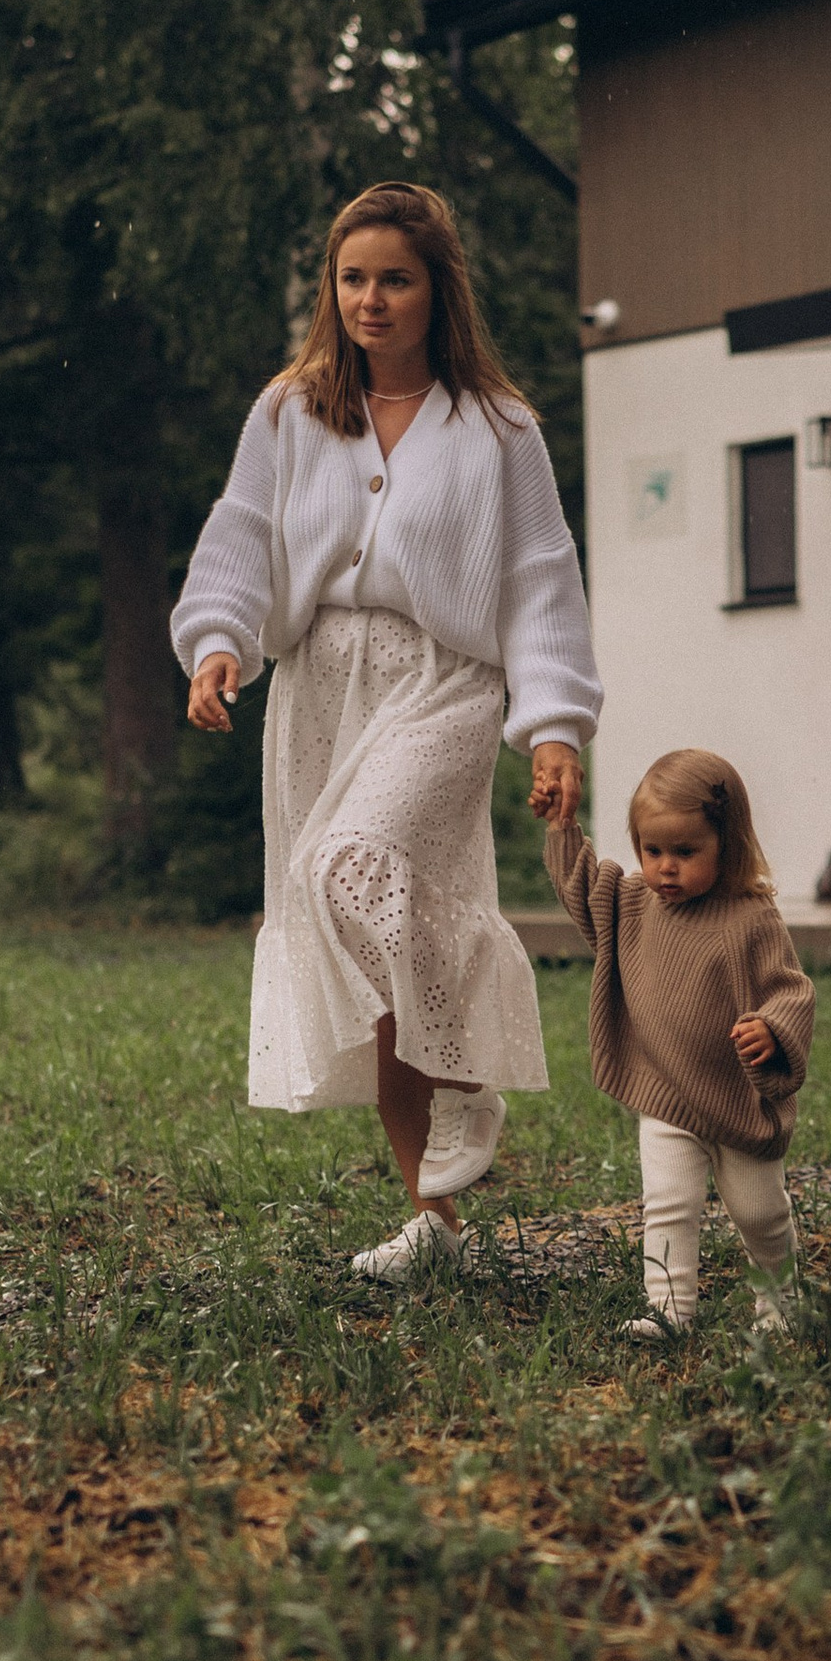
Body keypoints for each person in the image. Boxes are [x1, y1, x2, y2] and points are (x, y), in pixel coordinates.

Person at [174, 180, 598, 1282]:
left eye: (394, 279)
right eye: (353, 278)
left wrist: (554, 725)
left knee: (353, 870)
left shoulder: (500, 431)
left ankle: (464, 1082)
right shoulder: (289, 411)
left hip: (444, 681)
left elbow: (541, 582)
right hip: (321, 687)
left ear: (435, 290)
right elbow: (240, 538)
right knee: (363, 948)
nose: (371, 299)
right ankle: (434, 1225)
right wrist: (217, 639)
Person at [543, 749, 815, 1338]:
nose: (666, 867)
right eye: (652, 850)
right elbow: (582, 885)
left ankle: (781, 1299)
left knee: (760, 1214)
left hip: (735, 1101)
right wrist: (564, 826)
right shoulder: (634, 903)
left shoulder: (751, 918)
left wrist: (772, 1028)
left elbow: (791, 991)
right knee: (667, 1205)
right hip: (664, 1094)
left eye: (686, 852)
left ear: (729, 844)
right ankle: (670, 1312)